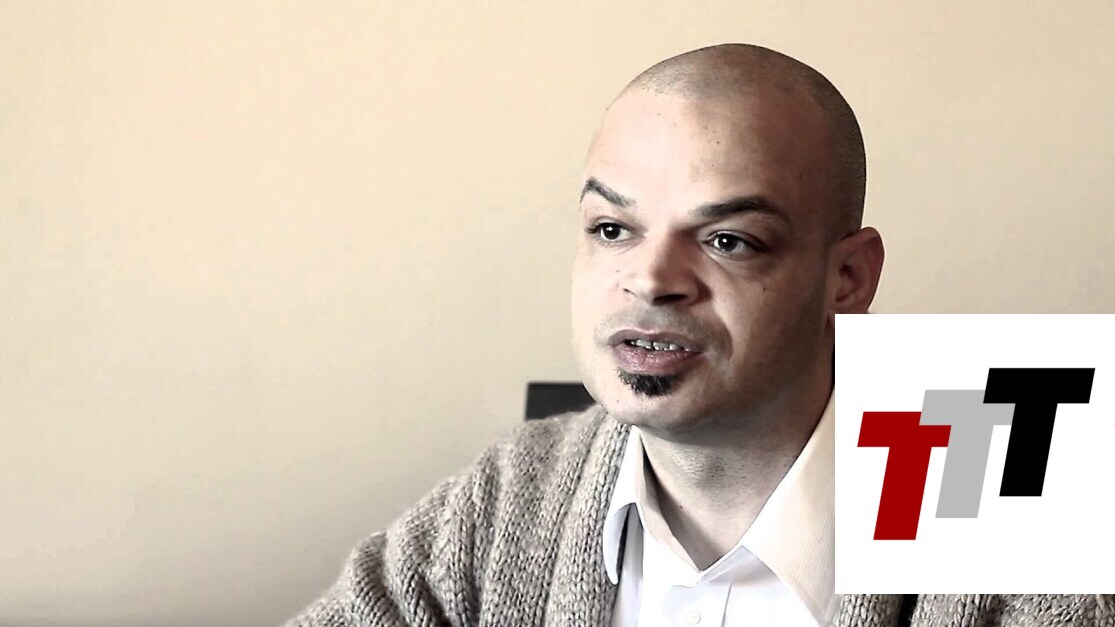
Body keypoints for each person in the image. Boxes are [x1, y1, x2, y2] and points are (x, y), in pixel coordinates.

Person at [285, 44, 1110, 627]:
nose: (649, 279)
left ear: (847, 278)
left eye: (727, 240)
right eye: (612, 229)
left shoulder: (1012, 466)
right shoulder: (514, 490)